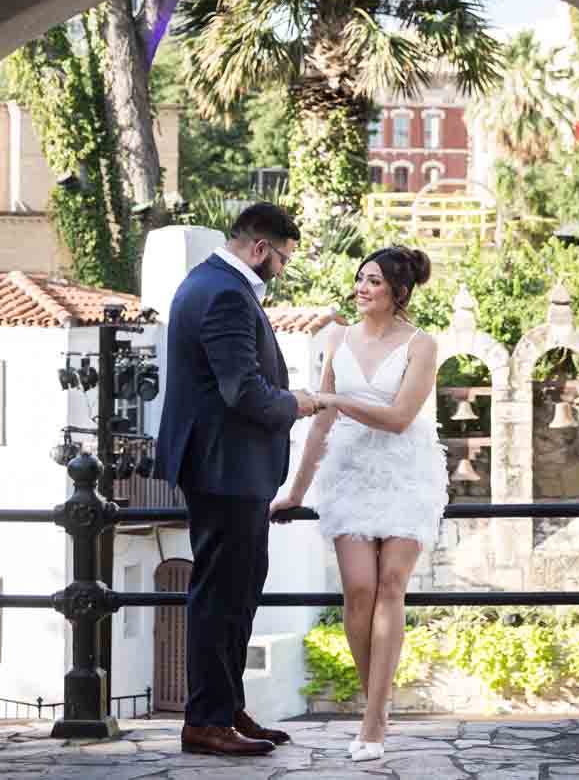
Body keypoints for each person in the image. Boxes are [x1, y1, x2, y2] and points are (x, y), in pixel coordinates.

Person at [153, 203, 321, 758]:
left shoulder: (209, 282)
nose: (282, 268)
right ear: (259, 249)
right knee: (221, 595)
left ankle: (225, 707)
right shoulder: (225, 291)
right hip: (224, 469)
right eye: (282, 258)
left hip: (230, 468)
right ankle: (205, 719)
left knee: (239, 590)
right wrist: (296, 403)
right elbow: (242, 389)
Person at [272, 246, 446, 763]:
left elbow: (397, 417)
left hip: (405, 472)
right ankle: (378, 704)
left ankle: (372, 720)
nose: (363, 288)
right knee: (359, 589)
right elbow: (321, 424)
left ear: (399, 292)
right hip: (348, 473)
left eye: (374, 282)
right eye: (361, 278)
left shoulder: (421, 344)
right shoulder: (336, 339)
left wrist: (336, 400)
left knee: (392, 585)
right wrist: (297, 491)